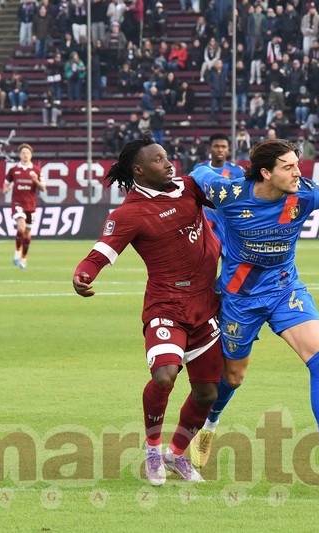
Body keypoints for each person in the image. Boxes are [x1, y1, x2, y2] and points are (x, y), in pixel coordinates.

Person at [189, 139, 319, 478]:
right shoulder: (229, 194)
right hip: (240, 299)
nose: (297, 173)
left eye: (296, 165)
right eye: (288, 167)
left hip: (285, 289)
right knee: (232, 378)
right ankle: (209, 426)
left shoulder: (303, 193)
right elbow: (199, 174)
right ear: (265, 173)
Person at [72, 134, 222, 485]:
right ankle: (152, 450)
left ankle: (176, 455)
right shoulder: (130, 213)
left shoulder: (188, 187)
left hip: (206, 305)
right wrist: (83, 274)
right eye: (158, 160)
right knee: (164, 376)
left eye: (167, 157)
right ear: (138, 170)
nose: (168, 164)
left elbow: (227, 202)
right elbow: (102, 250)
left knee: (207, 394)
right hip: (166, 305)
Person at [3, 143, 45, 269]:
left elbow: (43, 188)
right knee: (21, 228)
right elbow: (6, 183)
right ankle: (17, 252)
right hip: (17, 203)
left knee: (27, 234)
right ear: (20, 155)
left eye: (27, 153)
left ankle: (23, 258)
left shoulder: (36, 170)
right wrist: (6, 189)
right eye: (23, 153)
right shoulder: (14, 170)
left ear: (31, 155)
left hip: (30, 205)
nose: (25, 155)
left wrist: (36, 181)